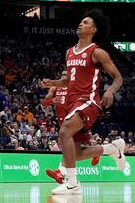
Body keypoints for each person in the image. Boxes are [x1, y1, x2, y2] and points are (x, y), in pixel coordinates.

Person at [42, 10, 124, 195]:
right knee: (76, 153)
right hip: (72, 102)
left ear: (93, 29)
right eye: (81, 21)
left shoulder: (97, 52)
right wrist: (52, 83)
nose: (80, 24)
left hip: (89, 101)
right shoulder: (69, 52)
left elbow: (118, 77)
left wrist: (110, 90)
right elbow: (68, 81)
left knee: (64, 132)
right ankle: (111, 149)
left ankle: (72, 183)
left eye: (85, 22)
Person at [44, 70, 100, 184]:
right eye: (62, 75)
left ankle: (61, 171)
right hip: (61, 118)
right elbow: (45, 102)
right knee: (74, 148)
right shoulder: (55, 88)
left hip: (74, 117)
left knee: (69, 146)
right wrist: (51, 100)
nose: (64, 76)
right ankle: (96, 152)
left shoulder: (75, 87)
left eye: (66, 75)